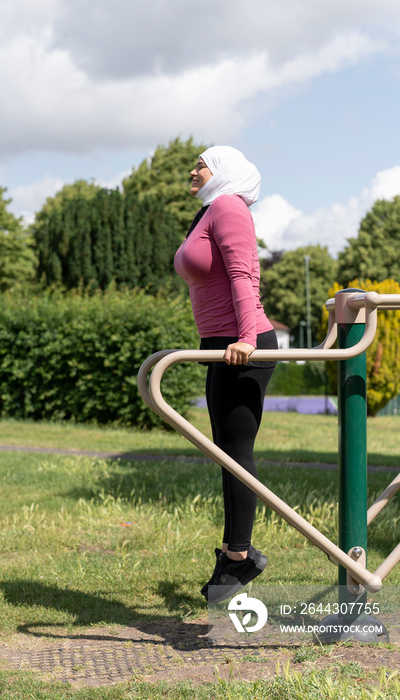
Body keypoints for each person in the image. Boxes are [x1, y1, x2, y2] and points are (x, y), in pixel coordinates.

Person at [174, 146, 277, 603]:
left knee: (236, 451)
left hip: (243, 342)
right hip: (220, 344)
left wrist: (248, 337)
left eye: (201, 163)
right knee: (226, 452)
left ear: (225, 170)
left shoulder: (229, 206)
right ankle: (235, 553)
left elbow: (242, 274)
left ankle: (239, 558)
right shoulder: (207, 211)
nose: (192, 170)